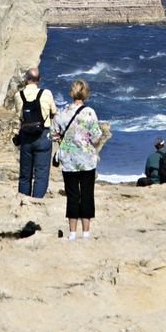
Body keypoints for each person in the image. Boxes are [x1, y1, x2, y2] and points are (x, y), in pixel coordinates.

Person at [53, 79, 105, 239]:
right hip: (87, 160)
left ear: (71, 93)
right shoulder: (89, 112)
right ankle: (86, 233)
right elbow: (96, 136)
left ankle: (72, 233)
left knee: (72, 196)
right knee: (87, 195)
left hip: (68, 160)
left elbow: (53, 134)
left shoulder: (62, 112)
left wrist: (64, 139)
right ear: (86, 94)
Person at [13, 68, 56, 203]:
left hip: (26, 136)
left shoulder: (18, 95)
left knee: (25, 174)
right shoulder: (46, 93)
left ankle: (23, 202)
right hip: (43, 135)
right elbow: (53, 112)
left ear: (26, 79)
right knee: (41, 174)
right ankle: (36, 203)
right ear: (39, 80)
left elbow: (19, 116)